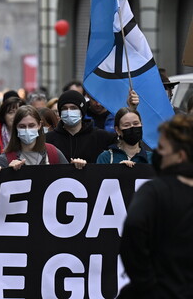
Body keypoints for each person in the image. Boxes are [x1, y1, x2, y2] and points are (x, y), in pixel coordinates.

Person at [118, 114, 193, 298]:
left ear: (180, 156)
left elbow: (133, 226)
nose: (157, 153)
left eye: (162, 148)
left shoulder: (155, 191)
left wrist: (145, 283)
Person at [45, 90, 116, 164]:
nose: (69, 112)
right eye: (64, 108)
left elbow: (123, 144)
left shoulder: (100, 136)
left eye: (73, 108)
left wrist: (129, 107)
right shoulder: (49, 138)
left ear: (82, 111)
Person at [0, 105, 73, 169]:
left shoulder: (52, 153)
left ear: (39, 125)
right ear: (16, 127)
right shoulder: (5, 159)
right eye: (22, 126)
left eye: (31, 125)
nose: (27, 130)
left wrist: (77, 167)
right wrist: (8, 172)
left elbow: (68, 178)